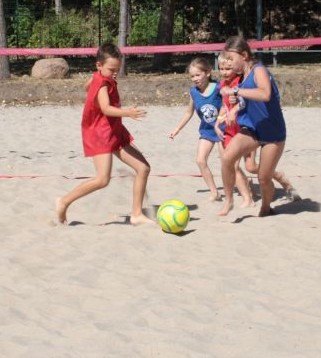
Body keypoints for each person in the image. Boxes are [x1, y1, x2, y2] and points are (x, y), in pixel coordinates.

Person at [56, 43, 152, 225]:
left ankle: (137, 214)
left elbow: (86, 86)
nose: (115, 73)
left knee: (143, 168)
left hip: (114, 130)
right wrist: (128, 113)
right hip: (100, 134)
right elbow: (106, 108)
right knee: (102, 179)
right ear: (99, 65)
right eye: (112, 69)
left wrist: (94, 86)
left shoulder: (98, 76)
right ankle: (64, 201)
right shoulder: (102, 83)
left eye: (118, 69)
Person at [217, 35, 287, 217]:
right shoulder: (242, 77)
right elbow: (247, 100)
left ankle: (266, 207)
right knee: (227, 158)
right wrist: (235, 107)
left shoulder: (259, 70)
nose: (229, 63)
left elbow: (264, 94)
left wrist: (235, 91)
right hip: (252, 129)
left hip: (272, 132)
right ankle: (229, 200)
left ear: (244, 55)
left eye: (231, 59)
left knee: (263, 178)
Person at [168, 57, 230, 202]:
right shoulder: (194, 92)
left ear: (207, 73)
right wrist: (177, 129)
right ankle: (214, 192)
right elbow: (188, 112)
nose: (195, 79)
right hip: (207, 131)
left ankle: (243, 186)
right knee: (200, 161)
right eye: (192, 76)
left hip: (223, 129)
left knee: (227, 162)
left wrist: (223, 118)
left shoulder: (219, 87)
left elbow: (228, 105)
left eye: (198, 75)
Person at [213, 56, 256, 208]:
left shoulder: (242, 82)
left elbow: (250, 102)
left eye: (228, 68)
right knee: (232, 165)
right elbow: (224, 107)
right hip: (230, 130)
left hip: (245, 129)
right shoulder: (222, 84)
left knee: (251, 167)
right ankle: (247, 199)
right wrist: (218, 122)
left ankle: (278, 177)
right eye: (221, 69)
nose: (224, 72)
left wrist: (237, 102)